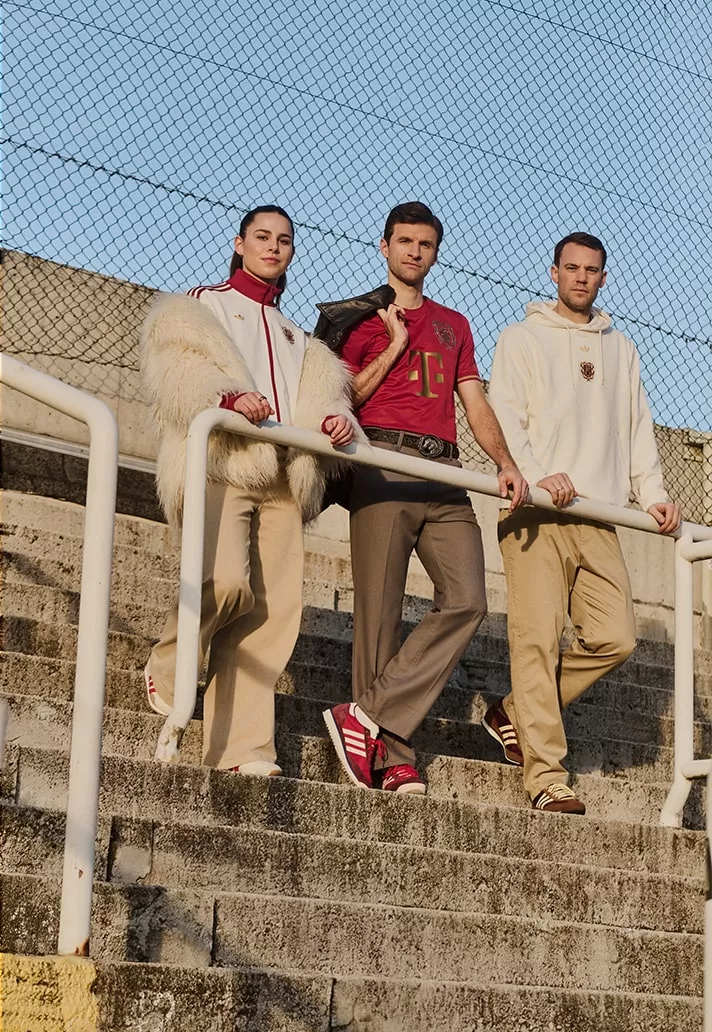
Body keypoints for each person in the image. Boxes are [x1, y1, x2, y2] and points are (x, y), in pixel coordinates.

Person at [140, 205, 359, 777]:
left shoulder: (298, 337)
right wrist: (227, 396)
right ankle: (169, 661)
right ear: (239, 243)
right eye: (262, 236)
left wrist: (336, 417)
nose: (273, 246)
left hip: (285, 478)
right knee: (227, 581)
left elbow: (323, 395)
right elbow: (174, 370)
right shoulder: (200, 306)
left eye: (284, 240)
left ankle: (241, 751)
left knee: (272, 615)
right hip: (224, 462)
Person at [321, 201, 528, 795]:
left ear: (435, 254)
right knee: (380, 618)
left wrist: (505, 462)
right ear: (383, 246)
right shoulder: (353, 319)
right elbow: (342, 400)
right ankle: (392, 760)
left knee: (467, 599)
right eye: (404, 241)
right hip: (382, 462)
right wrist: (390, 345)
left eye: (426, 244)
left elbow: (474, 402)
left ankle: (365, 716)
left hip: (444, 468)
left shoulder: (454, 323)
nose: (414, 251)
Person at [485, 231, 682, 815]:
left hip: (598, 515)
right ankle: (547, 776)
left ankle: (514, 713)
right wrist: (539, 474)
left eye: (591, 270)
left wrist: (654, 494)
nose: (580, 278)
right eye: (570, 268)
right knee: (537, 641)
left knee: (617, 636)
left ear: (602, 278)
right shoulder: (521, 338)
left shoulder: (621, 348)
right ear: (553, 273)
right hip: (535, 513)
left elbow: (636, 427)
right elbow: (506, 417)